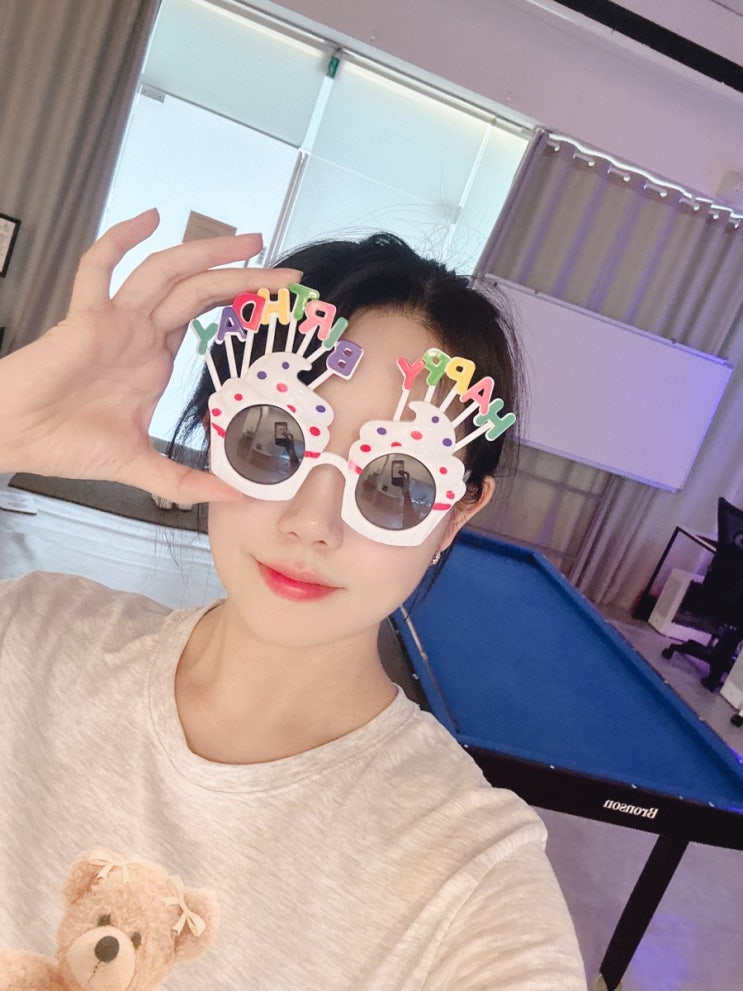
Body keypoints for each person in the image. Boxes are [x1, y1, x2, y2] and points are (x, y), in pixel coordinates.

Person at [0, 209, 586, 989]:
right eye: (273, 440)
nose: (311, 521)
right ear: (212, 428)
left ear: (456, 514)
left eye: (396, 481)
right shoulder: (33, 637)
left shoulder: (465, 873)